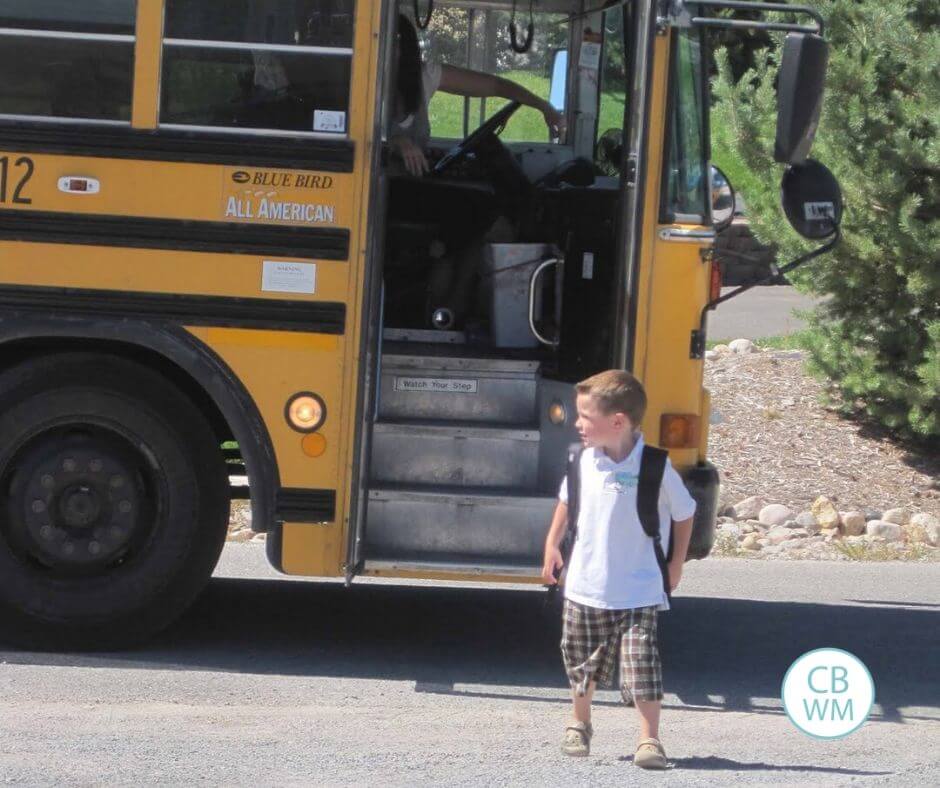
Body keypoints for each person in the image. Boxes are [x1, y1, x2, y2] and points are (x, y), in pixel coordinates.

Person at [541, 370, 697, 769]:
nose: (578, 424)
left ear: (618, 422)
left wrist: (676, 564)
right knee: (580, 660)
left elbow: (685, 513)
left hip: (639, 588)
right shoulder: (582, 462)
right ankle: (579, 722)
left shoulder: (655, 467)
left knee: (642, 664)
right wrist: (552, 544)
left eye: (585, 416)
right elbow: (565, 502)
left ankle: (649, 740)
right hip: (584, 585)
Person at [390, 14, 566, 176]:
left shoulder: (424, 75)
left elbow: (496, 86)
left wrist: (544, 107)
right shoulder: (366, 84)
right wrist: (398, 142)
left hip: (412, 183)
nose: (393, 54)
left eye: (399, 45)